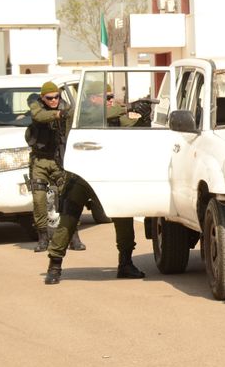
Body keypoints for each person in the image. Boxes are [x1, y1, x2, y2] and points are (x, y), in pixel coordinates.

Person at [43, 81, 149, 284]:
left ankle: (125, 263)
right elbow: (94, 116)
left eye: (111, 97)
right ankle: (54, 265)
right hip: (82, 174)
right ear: (93, 98)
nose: (111, 101)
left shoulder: (114, 116)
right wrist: (129, 106)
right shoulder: (80, 113)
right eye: (107, 98)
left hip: (111, 174)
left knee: (124, 216)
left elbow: (134, 129)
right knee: (69, 218)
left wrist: (144, 116)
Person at [26, 81, 85, 253]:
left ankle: (74, 236)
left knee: (68, 199)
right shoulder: (36, 106)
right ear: (43, 98)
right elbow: (38, 116)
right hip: (40, 161)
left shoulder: (67, 108)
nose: (53, 100)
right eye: (49, 98)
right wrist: (59, 114)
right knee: (39, 199)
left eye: (56, 97)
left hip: (60, 160)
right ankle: (43, 237)